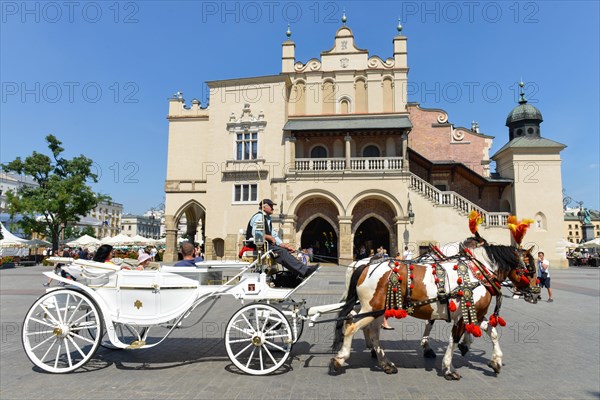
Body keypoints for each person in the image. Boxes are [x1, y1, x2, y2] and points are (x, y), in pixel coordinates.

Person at [246, 199, 318, 278]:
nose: (273, 208)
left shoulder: (267, 218)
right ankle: (304, 271)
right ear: (264, 207)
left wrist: (285, 245)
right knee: (281, 252)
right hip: (258, 244)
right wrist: (269, 237)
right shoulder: (259, 216)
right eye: (271, 206)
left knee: (284, 250)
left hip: (266, 244)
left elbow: (274, 235)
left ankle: (301, 271)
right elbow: (256, 233)